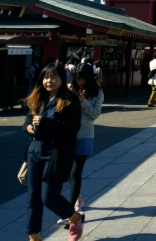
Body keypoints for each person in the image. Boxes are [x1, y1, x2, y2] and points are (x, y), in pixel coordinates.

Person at [23, 63, 83, 241]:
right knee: (33, 198)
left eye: (54, 77)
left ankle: (74, 218)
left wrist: (47, 123)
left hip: (56, 153)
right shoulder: (38, 97)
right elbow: (27, 119)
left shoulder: (70, 99)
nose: (49, 81)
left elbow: (73, 128)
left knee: (48, 197)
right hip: (35, 150)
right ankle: (34, 236)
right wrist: (28, 127)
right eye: (46, 77)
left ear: (62, 79)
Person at [56, 63, 103, 227]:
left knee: (76, 172)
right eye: (78, 78)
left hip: (85, 135)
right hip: (69, 135)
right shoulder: (70, 90)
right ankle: (76, 198)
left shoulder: (97, 93)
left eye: (83, 79)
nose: (80, 82)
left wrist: (83, 101)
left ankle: (70, 212)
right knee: (69, 172)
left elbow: (95, 115)